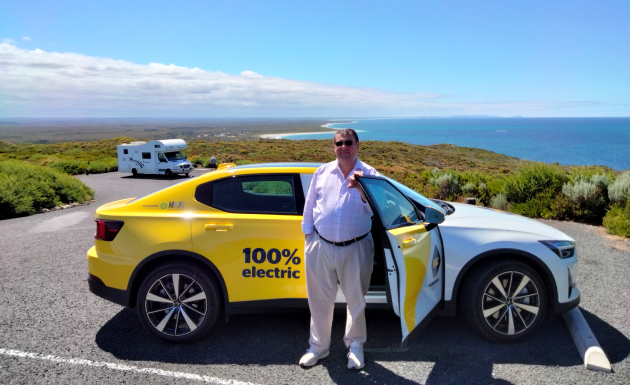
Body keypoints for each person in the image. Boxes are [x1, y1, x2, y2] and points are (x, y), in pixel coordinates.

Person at [299, 128, 379, 370]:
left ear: (357, 145)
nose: (344, 147)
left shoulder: (370, 174)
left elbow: (377, 210)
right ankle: (318, 348)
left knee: (356, 301)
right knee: (319, 301)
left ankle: (355, 346)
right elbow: (310, 203)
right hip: (320, 246)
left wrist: (359, 189)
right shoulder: (322, 172)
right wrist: (308, 235)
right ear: (333, 146)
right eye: (339, 143)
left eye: (348, 142)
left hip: (356, 248)